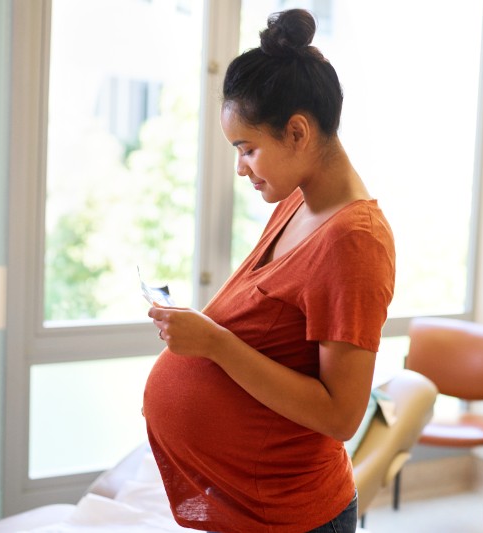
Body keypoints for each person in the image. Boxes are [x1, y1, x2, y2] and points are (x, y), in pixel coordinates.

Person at [143, 9, 395, 533]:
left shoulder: (355, 241)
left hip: (290, 516)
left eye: (248, 148)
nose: (241, 168)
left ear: (298, 131)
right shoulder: (296, 204)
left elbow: (341, 416)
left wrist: (213, 343)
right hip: (248, 503)